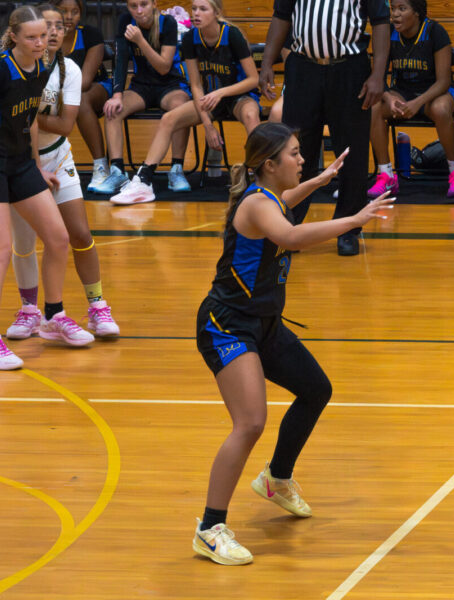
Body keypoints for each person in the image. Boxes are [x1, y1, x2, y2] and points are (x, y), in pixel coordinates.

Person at [192, 122, 393, 565]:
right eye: (297, 155)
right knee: (249, 423)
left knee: (316, 389)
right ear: (269, 164)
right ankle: (209, 528)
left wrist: (320, 182)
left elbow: (283, 204)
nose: (303, 160)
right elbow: (290, 236)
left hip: (262, 324)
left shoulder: (268, 198)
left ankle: (276, 478)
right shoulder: (256, 206)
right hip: (227, 326)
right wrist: (354, 219)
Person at [6, 5, 120, 341]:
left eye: (58, 27)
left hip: (56, 157)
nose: (53, 32)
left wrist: (25, 114)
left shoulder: (67, 69)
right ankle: (30, 310)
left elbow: (65, 125)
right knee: (23, 242)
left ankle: (97, 306)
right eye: (46, 27)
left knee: (80, 234)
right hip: (19, 162)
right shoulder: (11, 69)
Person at [0, 6, 94, 370]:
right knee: (0, 250)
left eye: (43, 36)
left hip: (20, 163)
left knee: (58, 237)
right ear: (14, 37)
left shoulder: (42, 69)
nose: (40, 42)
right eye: (32, 37)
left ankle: (53, 316)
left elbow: (30, 118)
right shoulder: (0, 69)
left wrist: (34, 163)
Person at [258, 0, 390, 256]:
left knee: (352, 150)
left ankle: (348, 229)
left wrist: (378, 75)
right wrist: (266, 64)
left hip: (349, 68)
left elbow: (381, 23)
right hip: (303, 67)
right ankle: (287, 224)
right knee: (294, 148)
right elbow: (281, 16)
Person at [109, 0, 260, 205]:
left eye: (203, 9)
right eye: (194, 9)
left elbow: (253, 79)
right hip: (207, 99)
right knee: (169, 119)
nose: (196, 14)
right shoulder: (190, 38)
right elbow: (196, 85)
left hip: (238, 96)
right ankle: (143, 180)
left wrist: (221, 93)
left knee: (251, 115)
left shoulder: (232, 35)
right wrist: (208, 125)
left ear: (216, 13)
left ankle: (259, 177)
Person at [90, 0, 193, 196]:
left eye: (144, 4)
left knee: (181, 107)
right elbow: (120, 61)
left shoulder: (167, 22)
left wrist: (140, 41)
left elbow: (163, 67)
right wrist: (117, 95)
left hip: (170, 85)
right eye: (133, 6)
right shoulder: (125, 21)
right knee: (112, 110)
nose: (139, 11)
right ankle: (118, 171)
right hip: (141, 87)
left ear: (154, 4)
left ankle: (177, 169)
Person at [367, 0, 454, 198]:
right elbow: (378, 78)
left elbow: (444, 81)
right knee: (374, 106)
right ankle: (386, 176)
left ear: (417, 13)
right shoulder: (388, 33)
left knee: (440, 109)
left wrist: (418, 103)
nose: (395, 14)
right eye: (393, 9)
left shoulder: (435, 32)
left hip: (436, 92)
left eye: (402, 9)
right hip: (403, 92)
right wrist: (389, 98)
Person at [53, 0, 113, 192]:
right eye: (64, 11)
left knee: (81, 100)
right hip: (57, 92)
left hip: (96, 88)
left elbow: (85, 81)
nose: (69, 16)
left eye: (75, 12)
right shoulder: (45, 36)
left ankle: (101, 166)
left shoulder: (90, 34)